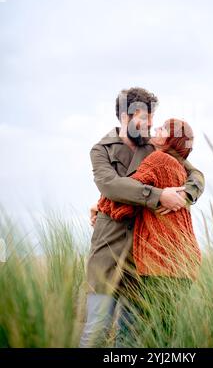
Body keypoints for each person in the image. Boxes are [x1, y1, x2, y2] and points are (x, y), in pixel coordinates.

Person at [78, 87, 205, 348]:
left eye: (152, 118)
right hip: (107, 251)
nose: (150, 124)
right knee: (96, 331)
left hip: (143, 261)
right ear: (126, 116)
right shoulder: (100, 150)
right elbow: (110, 185)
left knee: (130, 337)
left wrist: (183, 195)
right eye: (145, 118)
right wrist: (159, 195)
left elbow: (196, 176)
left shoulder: (156, 147)